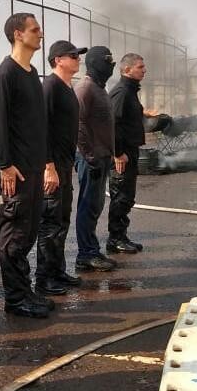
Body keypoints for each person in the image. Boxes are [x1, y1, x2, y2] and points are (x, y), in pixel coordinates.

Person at [0, 13, 52, 319]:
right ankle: (15, 298)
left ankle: (24, 290)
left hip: (35, 167)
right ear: (18, 34)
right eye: (34, 29)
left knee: (28, 231)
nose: (40, 34)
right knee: (14, 234)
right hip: (16, 171)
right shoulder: (5, 74)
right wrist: (5, 165)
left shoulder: (31, 72)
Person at [35, 40, 87, 296]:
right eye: (73, 55)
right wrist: (48, 167)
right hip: (53, 166)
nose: (78, 59)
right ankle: (44, 278)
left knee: (61, 221)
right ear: (58, 60)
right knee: (50, 223)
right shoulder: (50, 86)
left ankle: (57, 270)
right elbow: (41, 128)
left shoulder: (66, 86)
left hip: (66, 164)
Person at [74, 46, 118, 271]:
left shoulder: (100, 88)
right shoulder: (85, 88)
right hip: (89, 159)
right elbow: (78, 124)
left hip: (101, 157)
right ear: (94, 63)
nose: (111, 65)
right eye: (107, 61)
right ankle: (86, 254)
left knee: (96, 204)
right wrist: (89, 156)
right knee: (87, 205)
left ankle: (91, 250)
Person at [108, 52, 150, 255]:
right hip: (122, 154)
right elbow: (113, 123)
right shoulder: (122, 91)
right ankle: (115, 238)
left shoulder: (130, 90)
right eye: (140, 67)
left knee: (127, 196)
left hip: (130, 150)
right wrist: (118, 153)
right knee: (120, 196)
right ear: (127, 70)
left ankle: (121, 235)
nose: (144, 70)